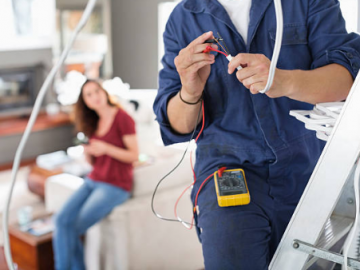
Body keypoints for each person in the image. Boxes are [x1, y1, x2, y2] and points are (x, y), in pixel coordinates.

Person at [153, 0, 360, 269]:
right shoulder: (183, 17)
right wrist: (189, 91)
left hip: (307, 171)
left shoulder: (308, 3)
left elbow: (347, 83)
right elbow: (178, 125)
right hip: (226, 169)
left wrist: (282, 80)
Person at [53, 80, 138, 270]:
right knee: (60, 220)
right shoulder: (92, 122)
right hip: (93, 179)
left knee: (71, 229)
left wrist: (107, 148)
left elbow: (133, 155)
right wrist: (89, 153)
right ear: (86, 102)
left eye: (96, 91)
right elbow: (93, 163)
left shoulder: (123, 118)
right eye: (88, 95)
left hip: (115, 185)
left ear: (104, 92)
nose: (94, 97)